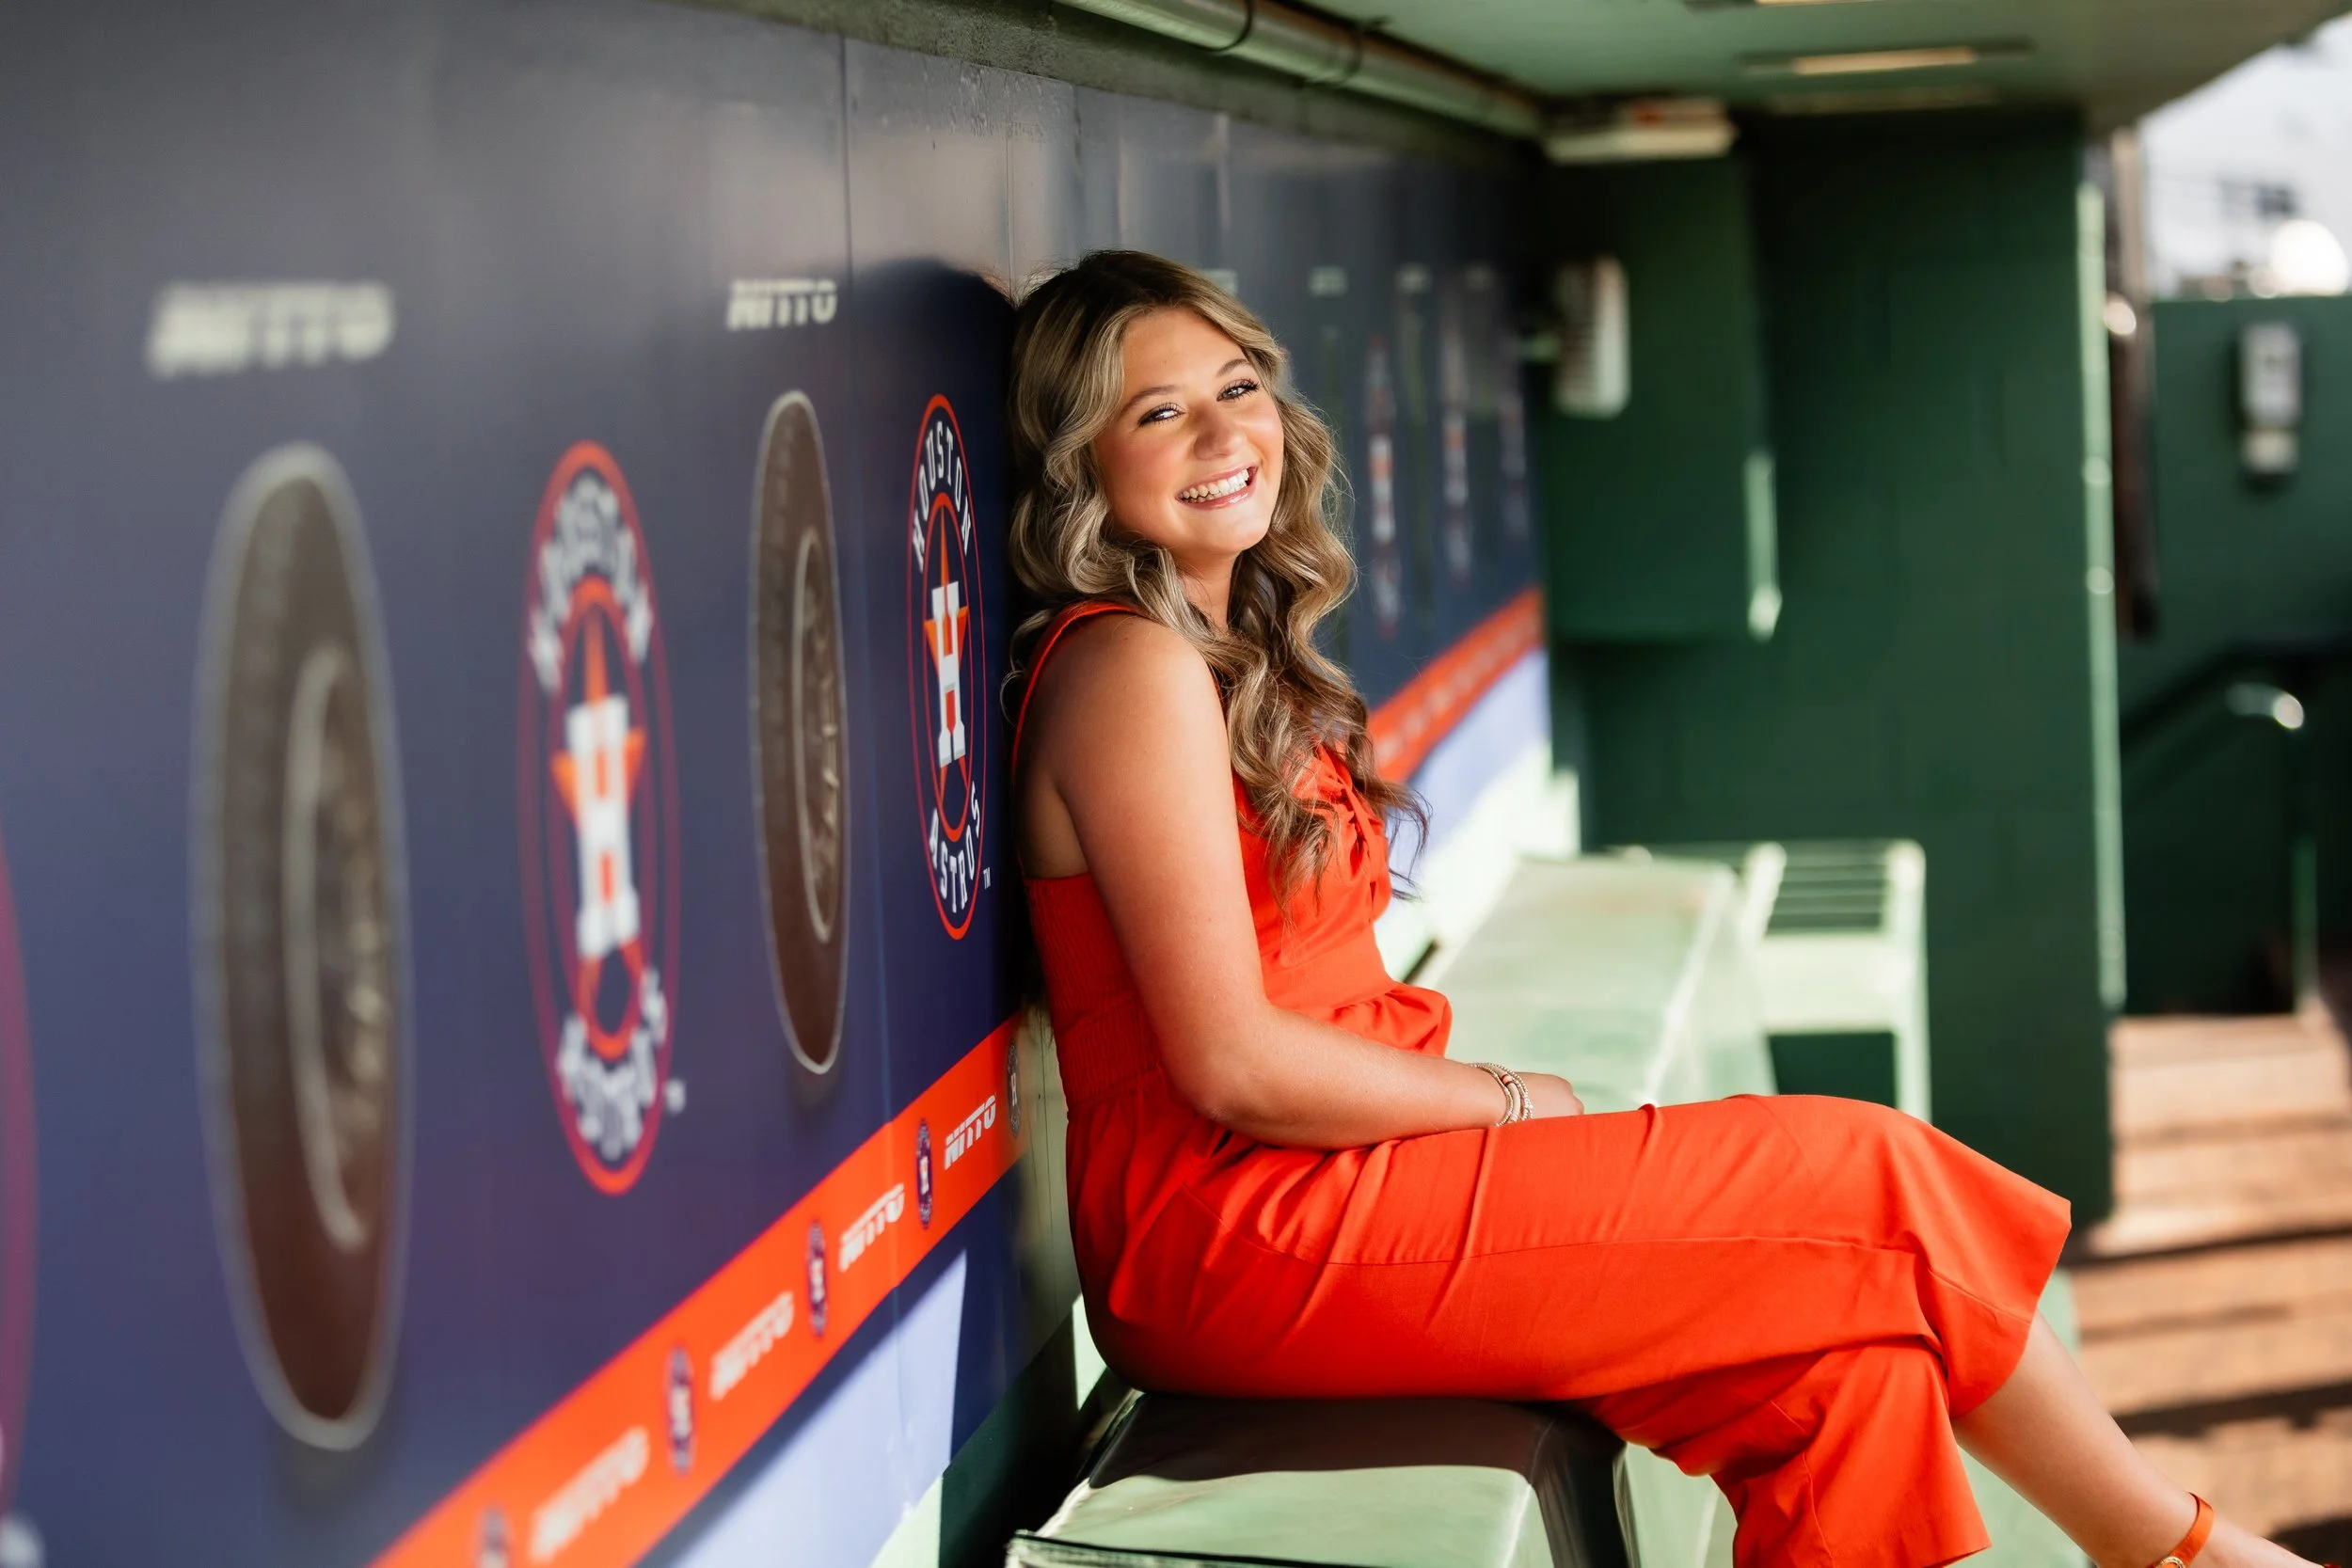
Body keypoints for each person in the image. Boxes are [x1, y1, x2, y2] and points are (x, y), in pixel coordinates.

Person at [1002, 248, 2322, 1568]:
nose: (1225, 430)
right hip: (1240, 1233)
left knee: (1843, 1386)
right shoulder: (1129, 667)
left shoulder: (1226, 659)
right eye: (1159, 410)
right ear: (1083, 463)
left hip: (1346, 1178)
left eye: (1237, 386)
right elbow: (1233, 1061)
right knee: (1876, 1176)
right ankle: (2175, 1550)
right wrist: (1510, 1097)